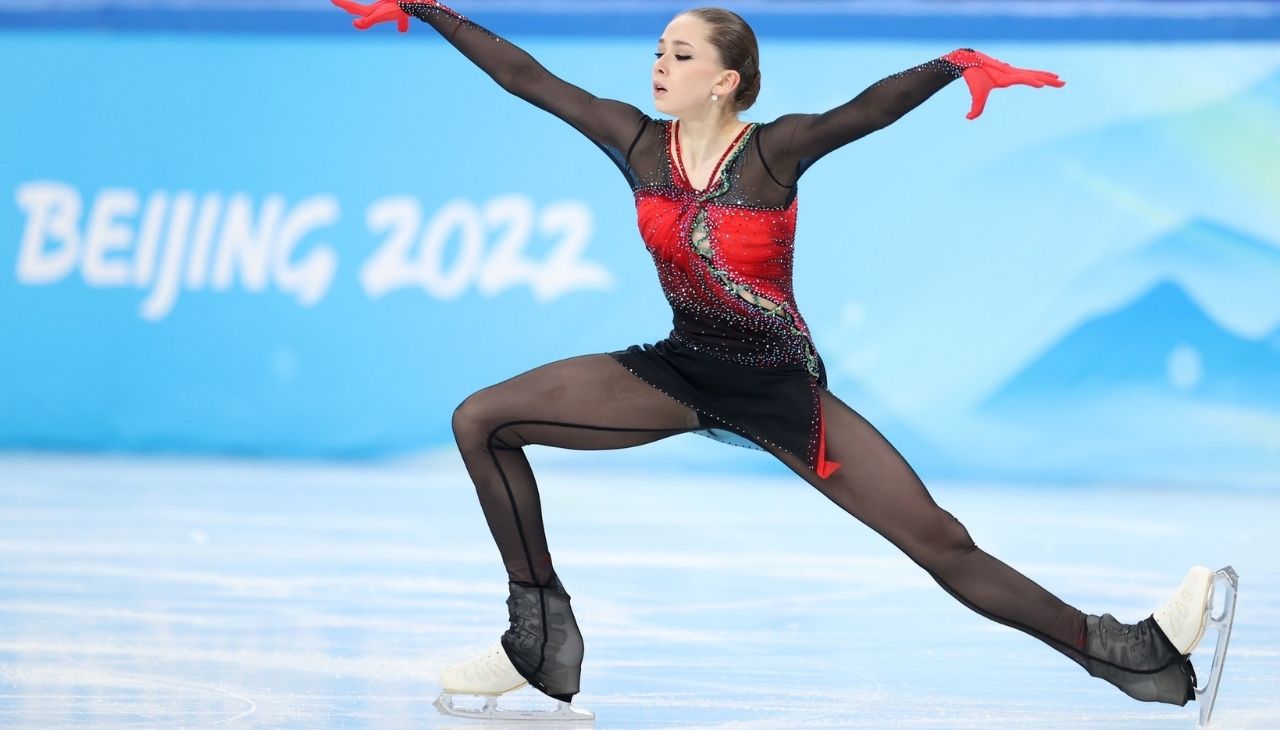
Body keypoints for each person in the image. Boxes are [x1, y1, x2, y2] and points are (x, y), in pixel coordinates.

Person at [332, 1, 1237, 724]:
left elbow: (863, 112)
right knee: (479, 419)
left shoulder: (773, 152)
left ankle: (1133, 655)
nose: (659, 63)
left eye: (680, 54)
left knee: (942, 543)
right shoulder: (635, 142)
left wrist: (952, 64)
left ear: (726, 80)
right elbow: (528, 78)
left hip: (780, 393)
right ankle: (536, 637)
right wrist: (429, 8)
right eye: (658, 48)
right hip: (678, 372)